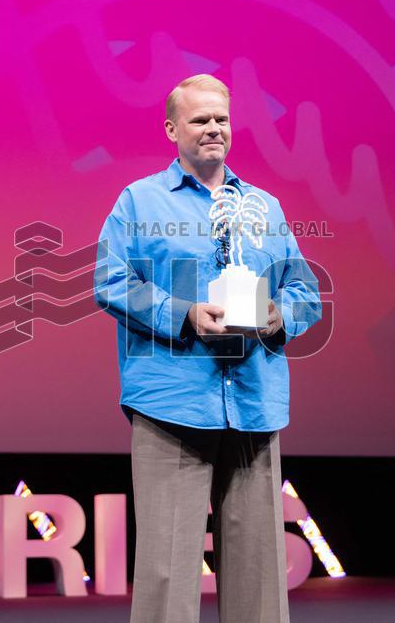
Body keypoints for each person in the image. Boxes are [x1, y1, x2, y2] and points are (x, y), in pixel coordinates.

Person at [93, 74, 321, 622]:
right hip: (172, 402)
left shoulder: (264, 207)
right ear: (172, 129)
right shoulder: (140, 201)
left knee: (261, 570)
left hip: (253, 400)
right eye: (200, 119)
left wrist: (277, 316)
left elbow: (305, 292)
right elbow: (110, 280)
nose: (213, 128)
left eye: (221, 118)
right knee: (169, 568)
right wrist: (186, 314)